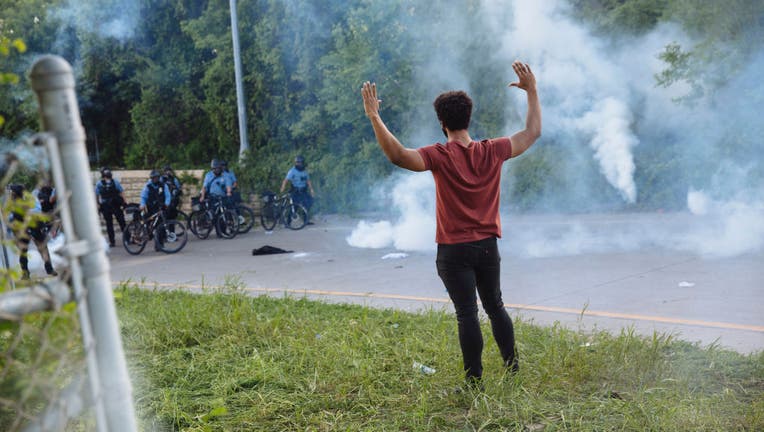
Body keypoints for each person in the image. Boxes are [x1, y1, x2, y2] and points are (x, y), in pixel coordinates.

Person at [361, 61, 541, 387]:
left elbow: (398, 155)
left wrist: (375, 116)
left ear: (441, 123)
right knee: (495, 306)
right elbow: (531, 133)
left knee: (467, 314)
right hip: (488, 246)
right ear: (468, 119)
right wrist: (532, 91)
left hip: (454, 251)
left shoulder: (439, 155)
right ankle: (512, 367)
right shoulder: (493, 150)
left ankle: (474, 382)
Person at [6, 184, 58, 279]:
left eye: (12, 192)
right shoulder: (12, 202)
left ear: (17, 193)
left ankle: (49, 269)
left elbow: (37, 210)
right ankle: (25, 273)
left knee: (42, 247)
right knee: (23, 250)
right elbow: (10, 216)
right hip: (22, 227)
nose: (10, 194)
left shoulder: (30, 199)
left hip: (35, 225)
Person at [139, 170, 171, 251]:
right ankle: (146, 234)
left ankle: (160, 244)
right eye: (154, 178)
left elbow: (168, 195)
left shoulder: (163, 185)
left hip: (160, 207)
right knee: (150, 224)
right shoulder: (148, 186)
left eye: (157, 178)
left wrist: (167, 203)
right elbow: (143, 196)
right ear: (151, 178)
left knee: (161, 226)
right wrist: (142, 204)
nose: (155, 179)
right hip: (150, 208)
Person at [95, 167, 127, 247]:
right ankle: (114, 241)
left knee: (120, 222)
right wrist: (98, 205)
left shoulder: (113, 182)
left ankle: (125, 239)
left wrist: (124, 202)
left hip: (113, 204)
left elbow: (121, 191)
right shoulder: (100, 183)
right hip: (107, 206)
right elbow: (97, 194)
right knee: (111, 224)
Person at [280, 155, 315, 223]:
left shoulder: (304, 171)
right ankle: (288, 222)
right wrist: (283, 187)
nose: (300, 164)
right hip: (295, 191)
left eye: (301, 163)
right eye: (299, 163)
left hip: (303, 191)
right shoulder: (292, 171)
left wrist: (311, 189)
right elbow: (286, 180)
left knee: (308, 204)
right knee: (294, 207)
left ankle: (305, 220)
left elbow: (308, 181)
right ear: (296, 163)